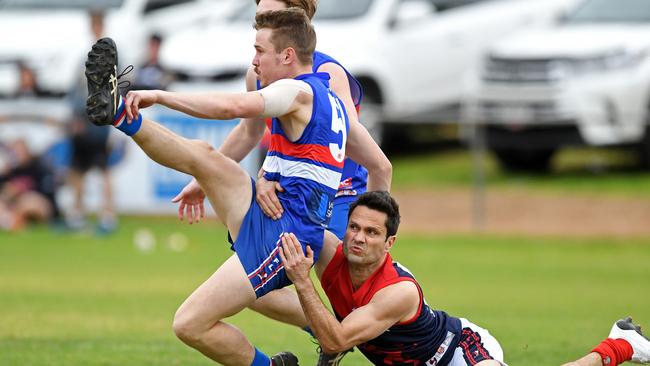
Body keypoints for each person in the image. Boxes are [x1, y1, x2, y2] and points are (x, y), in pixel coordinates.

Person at [83, 8, 375, 366]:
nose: (253, 61)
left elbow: (233, 107)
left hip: (286, 235)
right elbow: (300, 155)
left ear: (287, 55)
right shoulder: (323, 94)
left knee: (189, 324)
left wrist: (160, 95)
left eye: (259, 51)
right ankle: (118, 113)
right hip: (276, 210)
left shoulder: (300, 91)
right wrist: (261, 176)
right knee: (204, 157)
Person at [170, 1, 391, 363]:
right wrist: (232, 176)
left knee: (348, 293)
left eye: (271, 8)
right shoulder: (257, 74)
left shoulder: (327, 74)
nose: (261, 15)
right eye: (259, 9)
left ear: (296, 14)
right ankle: (330, 329)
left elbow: (347, 143)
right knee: (257, 288)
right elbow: (248, 133)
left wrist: (375, 221)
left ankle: (360, 332)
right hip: (292, 195)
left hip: (336, 195)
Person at [279, 191, 650, 366]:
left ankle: (621, 346)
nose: (359, 238)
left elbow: (336, 338)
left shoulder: (398, 292)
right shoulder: (331, 253)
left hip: (458, 351)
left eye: (372, 233)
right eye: (354, 228)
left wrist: (302, 281)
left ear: (389, 242)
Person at [67, 9, 116, 233]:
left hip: (99, 121)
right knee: (78, 170)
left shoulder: (108, 53)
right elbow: (77, 90)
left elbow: (111, 88)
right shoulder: (85, 53)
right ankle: (78, 214)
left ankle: (107, 215)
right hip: (84, 120)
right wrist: (75, 116)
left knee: (103, 170)